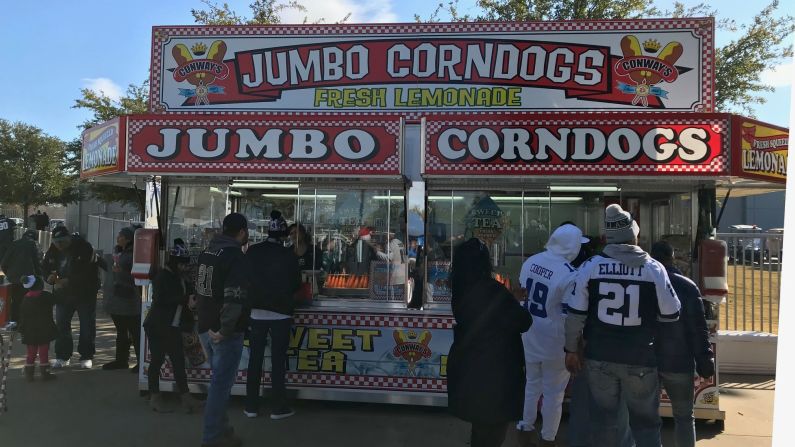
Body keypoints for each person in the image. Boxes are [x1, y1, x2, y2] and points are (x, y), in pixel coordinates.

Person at [564, 204, 681, 447]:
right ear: (633, 235)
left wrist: (571, 350)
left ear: (608, 237)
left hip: (599, 358)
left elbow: (575, 315)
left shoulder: (591, 266)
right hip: (641, 359)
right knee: (646, 425)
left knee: (605, 422)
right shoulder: (653, 268)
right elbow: (672, 314)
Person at [447, 238, 532, 447]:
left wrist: (507, 297)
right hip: (495, 373)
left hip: (470, 369)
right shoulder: (492, 290)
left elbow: (486, 311)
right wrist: (510, 300)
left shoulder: (461, 288)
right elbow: (523, 321)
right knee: (492, 434)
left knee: (480, 429)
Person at [516, 224, 588, 447]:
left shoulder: (531, 261)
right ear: (571, 247)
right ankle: (548, 439)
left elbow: (520, 297)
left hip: (528, 334)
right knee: (553, 395)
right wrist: (575, 349)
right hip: (555, 343)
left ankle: (525, 429)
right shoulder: (569, 274)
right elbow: (570, 316)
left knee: (531, 385)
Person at [651, 241, 715, 447]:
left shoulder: (643, 283)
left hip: (647, 361)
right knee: (685, 417)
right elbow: (698, 329)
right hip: (679, 362)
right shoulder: (687, 286)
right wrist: (704, 359)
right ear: (671, 258)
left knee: (646, 418)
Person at [197, 212, 249, 447]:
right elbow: (234, 298)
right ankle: (212, 438)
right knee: (220, 387)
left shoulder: (208, 252)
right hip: (222, 331)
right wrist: (226, 329)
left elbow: (198, 289)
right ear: (242, 232)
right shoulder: (235, 256)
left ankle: (223, 430)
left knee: (219, 383)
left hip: (205, 324)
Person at [244, 210, 300, 420]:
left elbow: (245, 278)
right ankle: (278, 407)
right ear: (284, 235)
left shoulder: (253, 251)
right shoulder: (289, 255)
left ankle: (251, 406)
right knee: (277, 361)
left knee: (255, 360)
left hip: (256, 313)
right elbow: (296, 284)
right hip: (281, 314)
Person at [144, 244, 203, 414]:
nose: (185, 267)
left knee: (178, 362)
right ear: (175, 262)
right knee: (157, 360)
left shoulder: (179, 277)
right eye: (182, 263)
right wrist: (185, 299)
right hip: (158, 325)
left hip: (172, 327)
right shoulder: (163, 276)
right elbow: (161, 299)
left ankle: (186, 397)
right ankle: (154, 396)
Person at [45, 226, 101, 369]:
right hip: (63, 295)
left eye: (62, 242)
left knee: (87, 325)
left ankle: (86, 356)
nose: (59, 245)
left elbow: (89, 273)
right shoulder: (53, 250)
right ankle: (63, 356)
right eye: (56, 242)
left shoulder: (84, 247)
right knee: (62, 325)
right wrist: (49, 277)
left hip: (85, 294)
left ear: (69, 238)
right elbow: (45, 267)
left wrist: (69, 281)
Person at [102, 227, 142, 372]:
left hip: (129, 298)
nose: (118, 238)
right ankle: (121, 360)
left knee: (134, 331)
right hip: (118, 297)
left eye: (121, 236)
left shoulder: (133, 254)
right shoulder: (120, 251)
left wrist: (123, 273)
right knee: (122, 331)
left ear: (128, 238)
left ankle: (140, 361)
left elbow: (137, 275)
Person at [19, 275, 59, 381]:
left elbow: (22, 316)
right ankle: (45, 373)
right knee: (43, 351)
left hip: (29, 330)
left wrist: (21, 329)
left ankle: (29, 374)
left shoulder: (25, 298)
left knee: (31, 353)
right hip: (44, 329)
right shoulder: (45, 296)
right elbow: (56, 300)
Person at [1, 229, 41, 328]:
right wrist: (39, 275)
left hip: (13, 278)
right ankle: (25, 323)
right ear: (35, 238)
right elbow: (36, 263)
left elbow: (4, 263)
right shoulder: (32, 245)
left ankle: (15, 322)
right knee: (27, 300)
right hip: (28, 279)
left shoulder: (13, 244)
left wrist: (9, 275)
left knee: (15, 301)